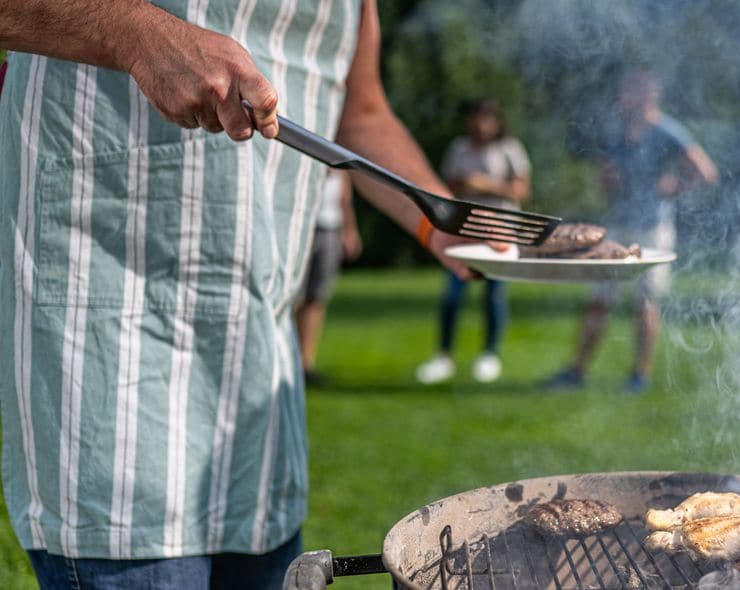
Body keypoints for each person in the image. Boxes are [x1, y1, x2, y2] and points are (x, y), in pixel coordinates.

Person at [0, 1, 480, 587]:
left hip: (258, 385)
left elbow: (360, 113)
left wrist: (451, 229)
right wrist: (135, 33)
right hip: (106, 350)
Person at [544, 69, 720, 394]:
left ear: (649, 94)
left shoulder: (669, 132)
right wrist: (608, 181)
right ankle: (576, 371)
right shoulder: (616, 131)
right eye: (624, 90)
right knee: (598, 300)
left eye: (630, 90)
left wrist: (675, 187)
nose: (623, 97)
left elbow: (706, 172)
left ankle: (640, 375)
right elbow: (605, 173)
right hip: (617, 227)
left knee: (645, 303)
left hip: (652, 229)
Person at [416, 99, 532, 384]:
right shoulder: (460, 148)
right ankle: (444, 356)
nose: (481, 125)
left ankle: (489, 355)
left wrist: (485, 184)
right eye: (476, 118)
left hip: (500, 232)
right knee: (452, 295)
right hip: (465, 231)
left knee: (494, 295)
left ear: (497, 121)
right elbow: (446, 185)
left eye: (487, 119)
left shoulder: (509, 149)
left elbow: (521, 190)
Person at [296, 170, 361, 386]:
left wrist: (349, 229)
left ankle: (306, 363)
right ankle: (288, 360)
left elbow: (344, 197)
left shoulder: (339, 159)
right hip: (302, 226)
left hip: (331, 228)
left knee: (317, 297)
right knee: (294, 297)